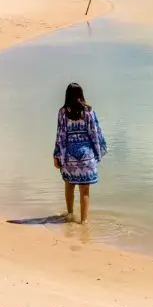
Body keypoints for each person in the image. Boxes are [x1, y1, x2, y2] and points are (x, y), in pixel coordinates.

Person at [52, 82, 107, 224]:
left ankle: (70, 214)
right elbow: (95, 133)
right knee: (85, 191)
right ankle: (84, 221)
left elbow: (60, 136)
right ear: (81, 95)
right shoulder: (89, 111)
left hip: (69, 156)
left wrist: (57, 155)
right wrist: (98, 152)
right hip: (86, 156)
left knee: (69, 185)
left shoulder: (63, 112)